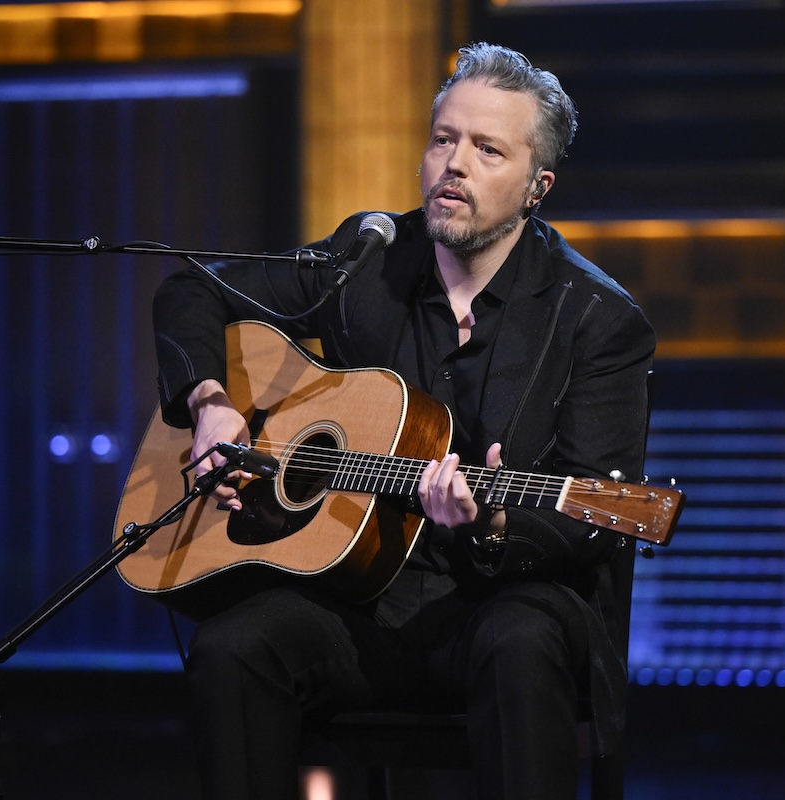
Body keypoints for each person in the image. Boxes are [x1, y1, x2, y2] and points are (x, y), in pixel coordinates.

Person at [151, 42, 655, 800]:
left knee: (519, 639)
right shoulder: (368, 262)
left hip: (508, 607)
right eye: (443, 139)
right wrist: (211, 405)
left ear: (535, 187)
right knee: (233, 648)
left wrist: (485, 522)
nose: (453, 164)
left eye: (487, 149)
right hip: (363, 605)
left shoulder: (597, 319)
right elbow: (191, 290)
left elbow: (594, 517)